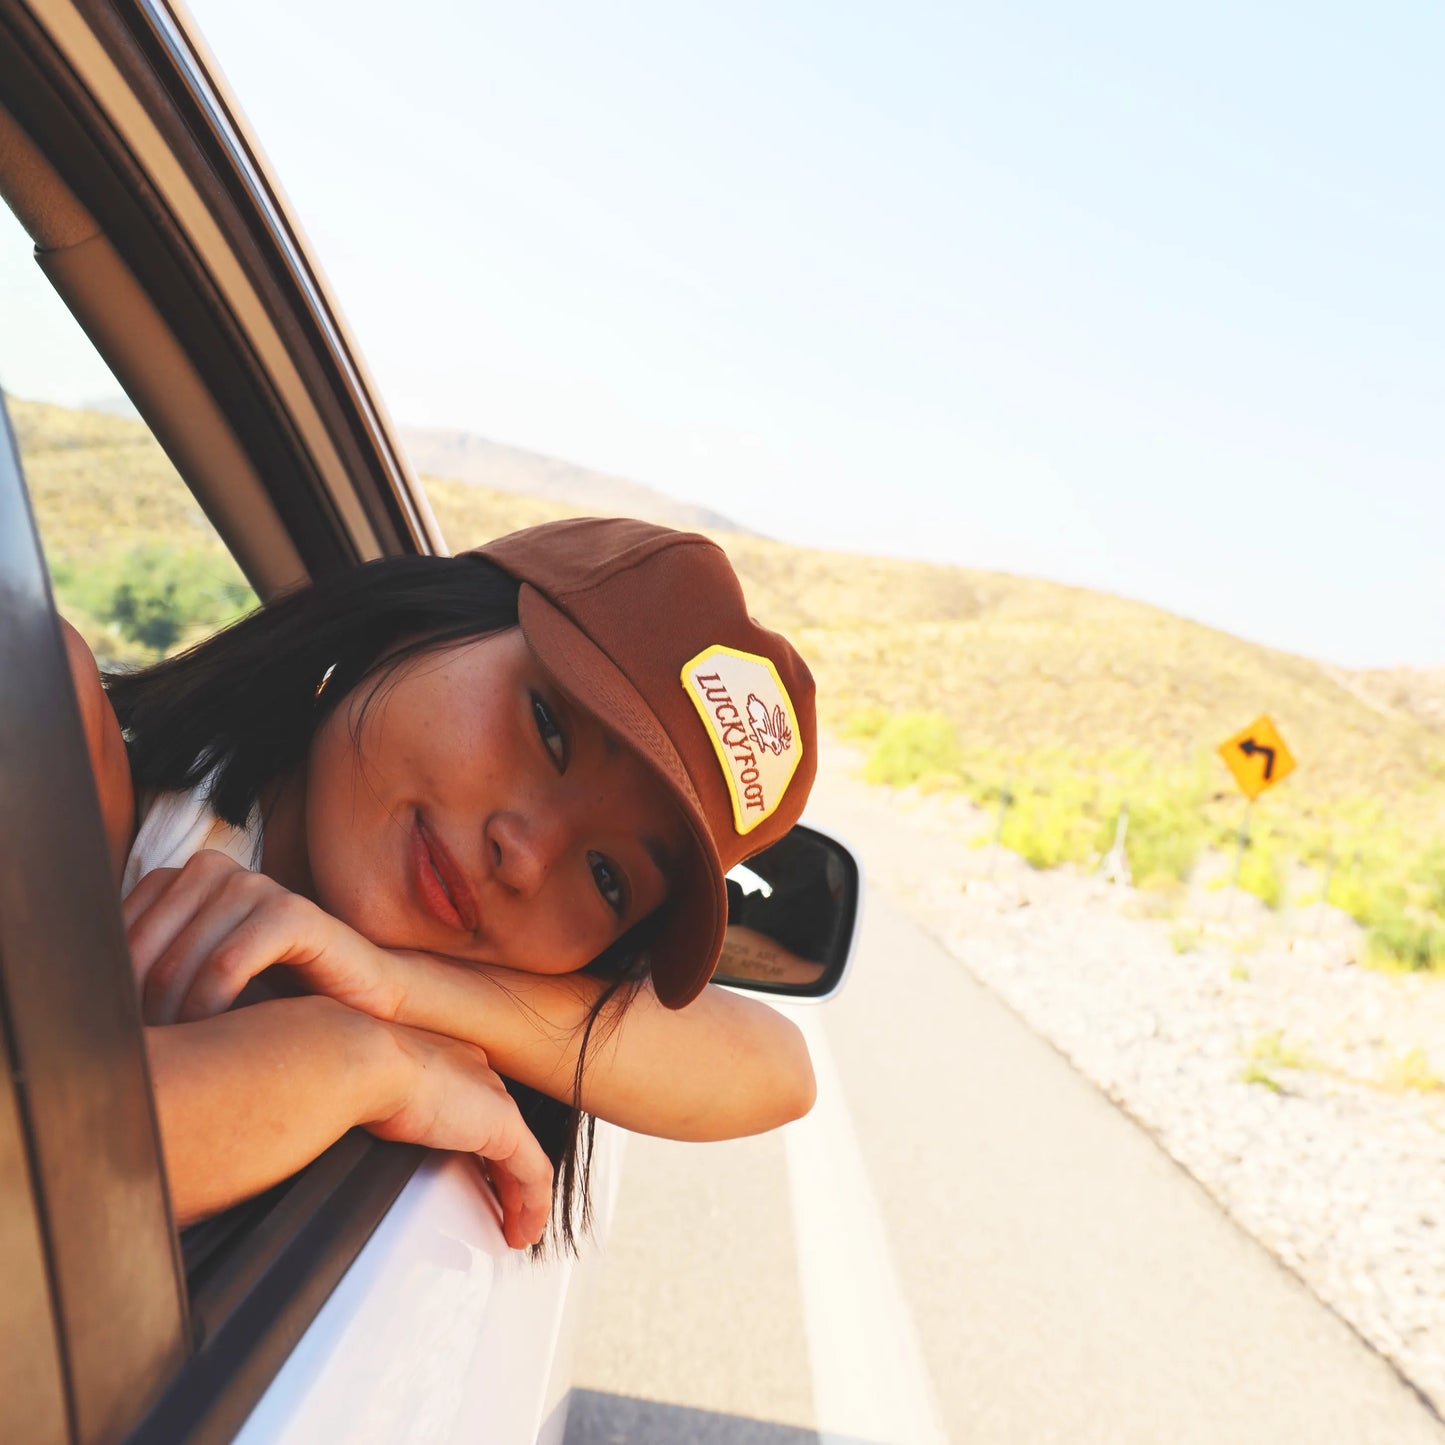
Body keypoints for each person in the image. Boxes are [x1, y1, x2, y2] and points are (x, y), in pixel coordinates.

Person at [66, 516, 819, 1250]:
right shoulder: (58, 756)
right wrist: (358, 1061)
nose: (524, 856)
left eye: (606, 878)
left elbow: (782, 1071)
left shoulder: (448, 1048)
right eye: (548, 730)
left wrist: (392, 989)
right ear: (424, 622)